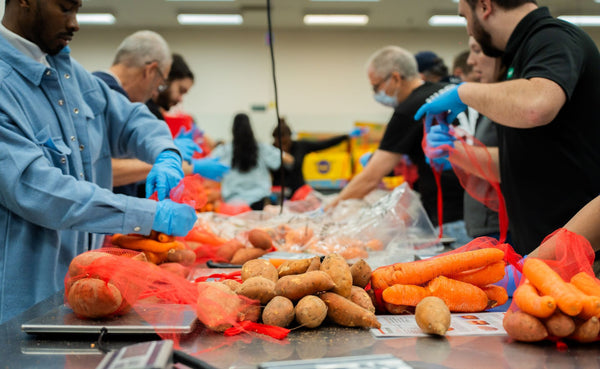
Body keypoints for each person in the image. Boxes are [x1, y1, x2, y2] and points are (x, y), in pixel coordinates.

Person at [0, 0, 197, 323]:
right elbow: (38, 190)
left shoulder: (69, 75)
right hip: (25, 303)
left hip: (86, 291)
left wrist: (165, 153)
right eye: (65, 8)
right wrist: (148, 214)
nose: (75, 23)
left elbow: (130, 117)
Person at [415, 0, 600, 256]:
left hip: (579, 255)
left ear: (484, 6)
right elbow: (518, 164)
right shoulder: (521, 55)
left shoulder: (553, 37)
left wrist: (463, 92)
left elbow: (537, 105)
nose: (469, 29)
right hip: (545, 252)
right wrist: (454, 151)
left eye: (465, 17)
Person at [329, 46, 468, 246]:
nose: (376, 94)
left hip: (450, 218)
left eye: (376, 87)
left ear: (395, 78)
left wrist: (330, 208)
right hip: (481, 210)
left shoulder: (411, 108)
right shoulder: (445, 92)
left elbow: (370, 177)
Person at [92, 31, 199, 198]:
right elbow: (94, 168)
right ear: (150, 71)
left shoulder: (119, 100)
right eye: (161, 83)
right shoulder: (102, 96)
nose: (156, 92)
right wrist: (161, 163)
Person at [145, 53, 230, 183]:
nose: (180, 99)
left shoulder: (156, 113)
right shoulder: (145, 111)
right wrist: (192, 166)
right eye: (180, 90)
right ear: (165, 80)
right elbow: (143, 163)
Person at [211, 113, 294, 210]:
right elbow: (289, 159)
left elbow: (206, 165)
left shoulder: (224, 150)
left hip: (232, 204)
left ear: (233, 129)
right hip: (259, 201)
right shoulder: (262, 148)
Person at [271, 118, 364, 197]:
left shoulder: (300, 146)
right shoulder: (270, 151)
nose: (283, 146)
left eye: (285, 143)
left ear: (290, 137)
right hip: (277, 193)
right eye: (279, 143)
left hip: (299, 192)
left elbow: (324, 144)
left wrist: (345, 136)